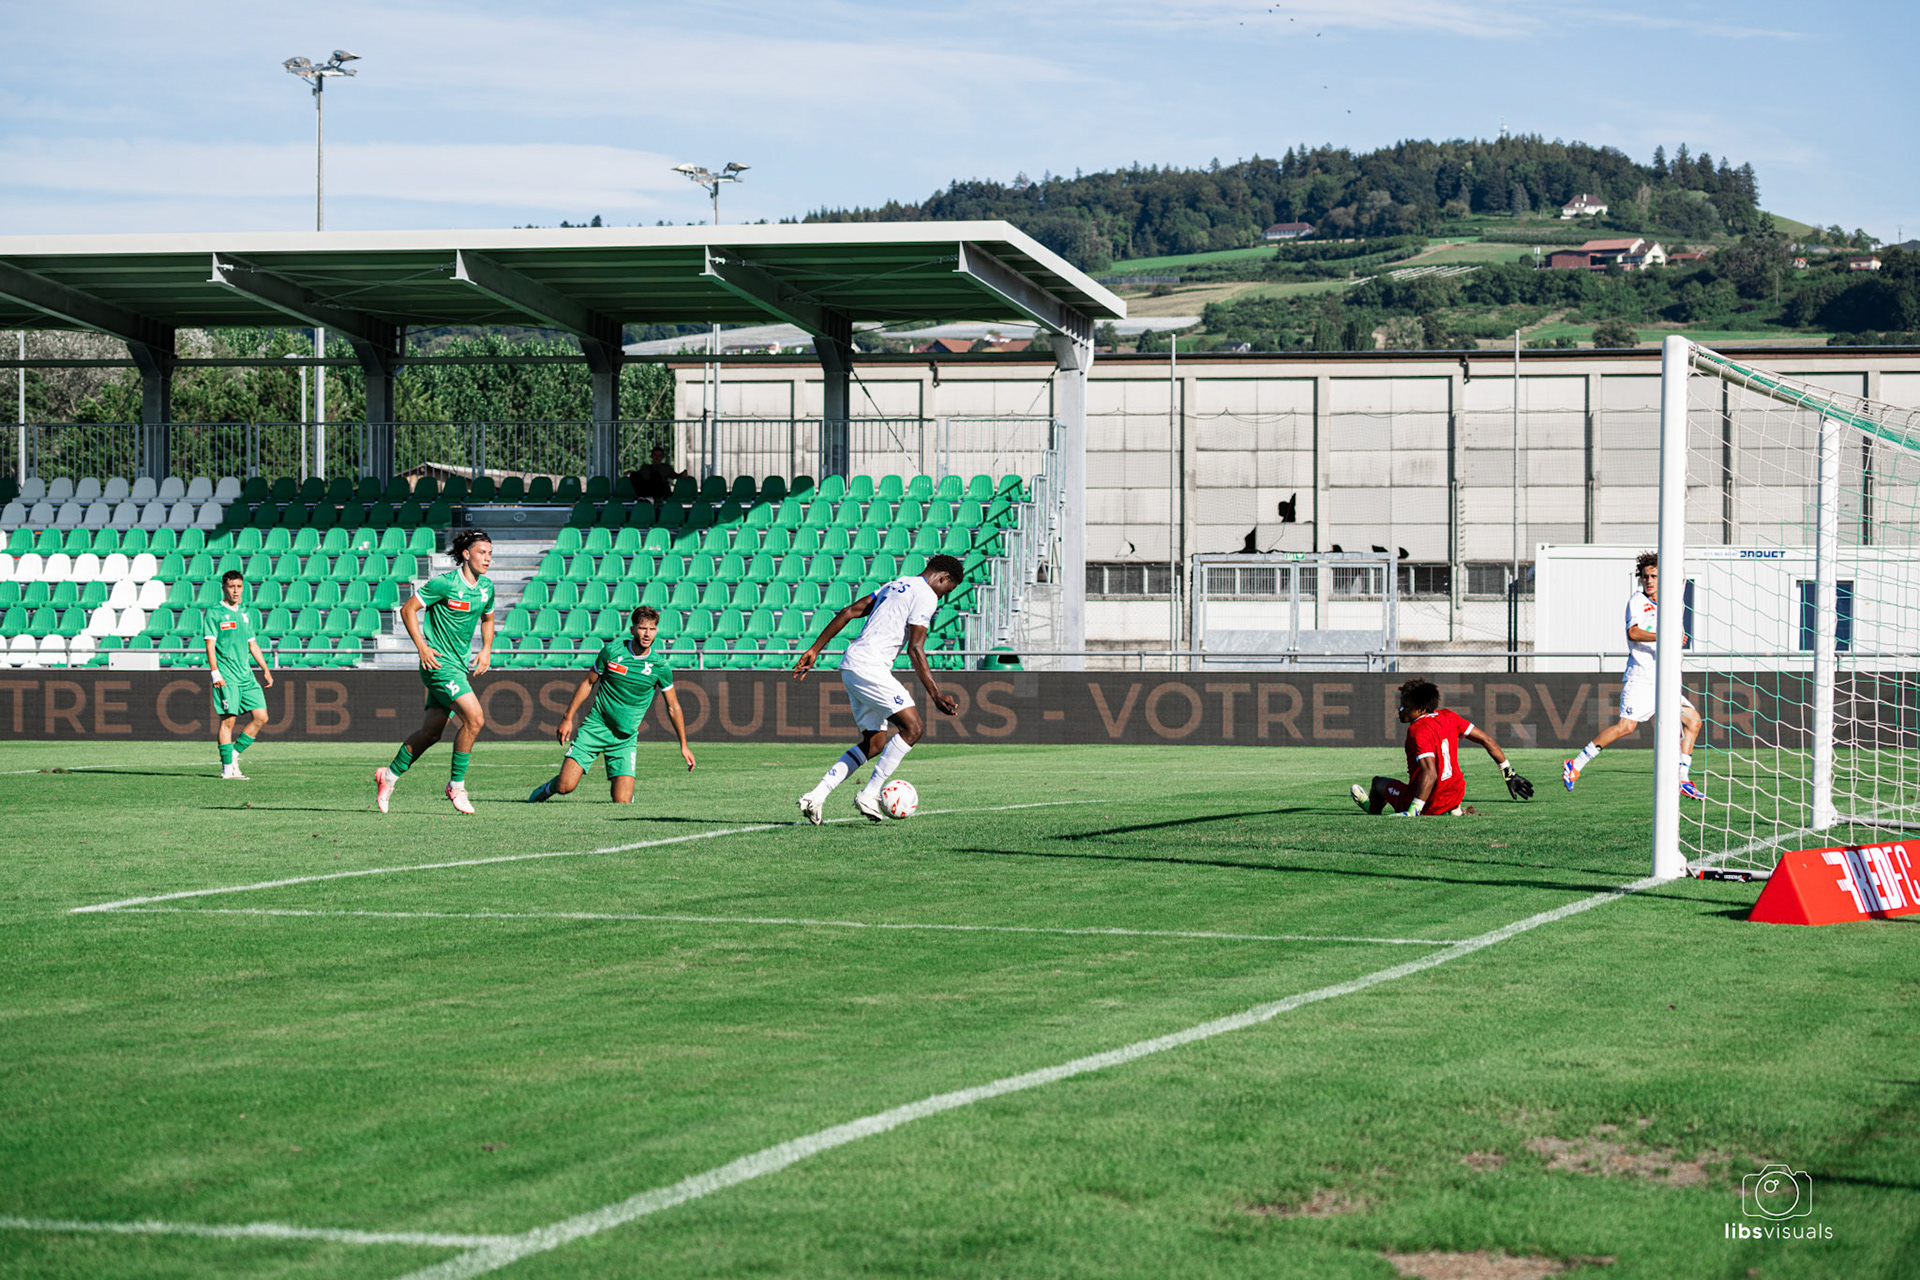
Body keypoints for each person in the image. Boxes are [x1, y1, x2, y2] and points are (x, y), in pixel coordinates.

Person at [792, 554, 966, 823]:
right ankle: (869, 793)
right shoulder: (927, 595)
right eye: (948, 590)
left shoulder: (896, 584)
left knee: (874, 743)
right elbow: (915, 648)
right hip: (870, 666)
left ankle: (816, 796)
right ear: (943, 578)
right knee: (913, 728)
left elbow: (849, 611)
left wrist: (816, 648)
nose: (943, 596)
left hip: (851, 665)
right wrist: (935, 693)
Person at [1563, 552, 1705, 799]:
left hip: (1666, 681)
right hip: (1642, 679)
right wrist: (1667, 635)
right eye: (1645, 576)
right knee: (1625, 727)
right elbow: (1634, 633)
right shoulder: (1638, 601)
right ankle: (1575, 765)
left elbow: (1679, 578)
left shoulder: (1672, 602)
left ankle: (1682, 779)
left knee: (1693, 722)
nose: (1649, 581)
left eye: (1654, 576)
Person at [374, 528, 495, 815]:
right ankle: (456, 786)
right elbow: (408, 610)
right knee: (475, 719)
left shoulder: (486, 587)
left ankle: (388, 777)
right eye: (482, 552)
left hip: (458, 667)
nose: (487, 558)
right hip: (438, 666)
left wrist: (486, 649)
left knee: (430, 733)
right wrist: (422, 647)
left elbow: (488, 619)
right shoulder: (444, 584)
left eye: (490, 553)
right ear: (466, 555)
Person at [527, 605, 695, 803]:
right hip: (595, 728)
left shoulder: (660, 667)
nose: (647, 634)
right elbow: (588, 683)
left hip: (624, 738)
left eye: (652, 629)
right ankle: (547, 789)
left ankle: (626, 790)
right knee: (565, 786)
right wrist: (567, 717)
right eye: (642, 628)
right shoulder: (612, 652)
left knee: (622, 803)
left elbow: (673, 707)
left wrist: (683, 745)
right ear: (633, 629)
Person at [1351, 678, 1533, 816]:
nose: (1400, 710)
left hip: (1430, 802)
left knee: (1377, 783)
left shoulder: (1417, 729)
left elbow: (1430, 773)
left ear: (1421, 709)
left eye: (1405, 706)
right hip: (1455, 795)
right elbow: (1487, 740)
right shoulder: (1449, 716)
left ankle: (1372, 810)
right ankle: (1454, 809)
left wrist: (1414, 809)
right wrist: (1509, 774)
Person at [204, 568, 273, 780]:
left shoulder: (245, 614)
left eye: (239, 587)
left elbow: (253, 645)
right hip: (226, 675)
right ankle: (227, 770)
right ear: (224, 588)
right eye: (232, 586)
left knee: (261, 717)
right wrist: (215, 673)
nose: (236, 591)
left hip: (246, 676)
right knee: (229, 721)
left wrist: (265, 669)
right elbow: (210, 644)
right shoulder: (214, 613)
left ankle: (233, 754)